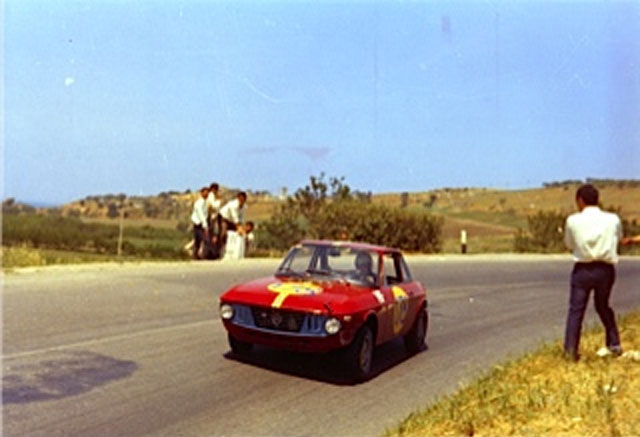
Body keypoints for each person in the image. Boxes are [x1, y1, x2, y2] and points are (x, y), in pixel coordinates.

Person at [563, 184, 623, 361]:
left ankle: (571, 350)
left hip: (583, 269)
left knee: (576, 310)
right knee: (603, 305)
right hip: (605, 269)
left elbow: (569, 244)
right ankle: (614, 343)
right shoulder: (612, 219)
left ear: (580, 200)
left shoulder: (573, 220)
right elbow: (618, 238)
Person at [190, 186, 209, 260]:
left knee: (199, 240)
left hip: (201, 223)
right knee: (201, 239)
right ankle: (197, 254)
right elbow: (201, 215)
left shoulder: (204, 202)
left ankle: (197, 255)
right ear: (201, 193)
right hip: (198, 223)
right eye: (205, 192)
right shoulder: (199, 203)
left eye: (207, 193)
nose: (206, 194)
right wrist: (205, 225)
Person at [206, 182, 222, 259]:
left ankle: (212, 252)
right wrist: (218, 202)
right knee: (213, 235)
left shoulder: (212, 196)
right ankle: (212, 253)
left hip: (213, 217)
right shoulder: (211, 195)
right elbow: (213, 206)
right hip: (212, 218)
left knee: (213, 235)